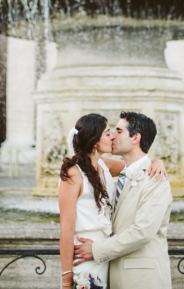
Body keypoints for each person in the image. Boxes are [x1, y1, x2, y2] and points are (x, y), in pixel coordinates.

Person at [58, 113, 166, 288]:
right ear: (94, 141)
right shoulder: (73, 173)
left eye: (114, 132)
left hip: (105, 252)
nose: (112, 137)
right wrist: (66, 278)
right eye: (108, 133)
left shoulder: (104, 165)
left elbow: (137, 166)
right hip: (83, 253)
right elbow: (66, 229)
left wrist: (157, 162)